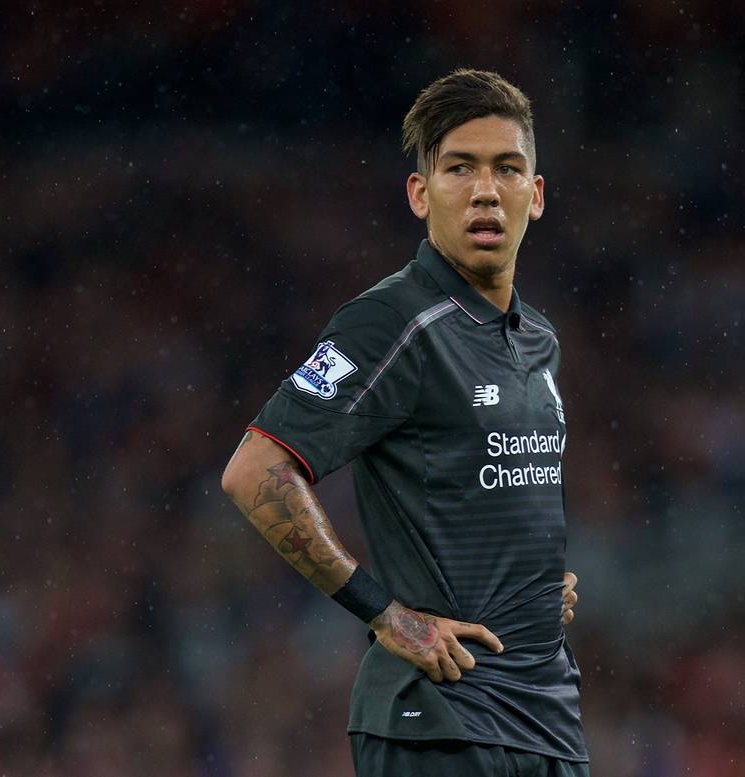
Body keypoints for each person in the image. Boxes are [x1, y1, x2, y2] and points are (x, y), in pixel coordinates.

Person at [221, 69, 589, 776]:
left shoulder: (539, 338)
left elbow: (484, 485)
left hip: (547, 722)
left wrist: (536, 581)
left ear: (535, 196)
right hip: (440, 725)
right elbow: (255, 470)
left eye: (508, 169)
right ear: (421, 194)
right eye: (460, 168)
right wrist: (384, 612)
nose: (486, 189)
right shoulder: (392, 321)